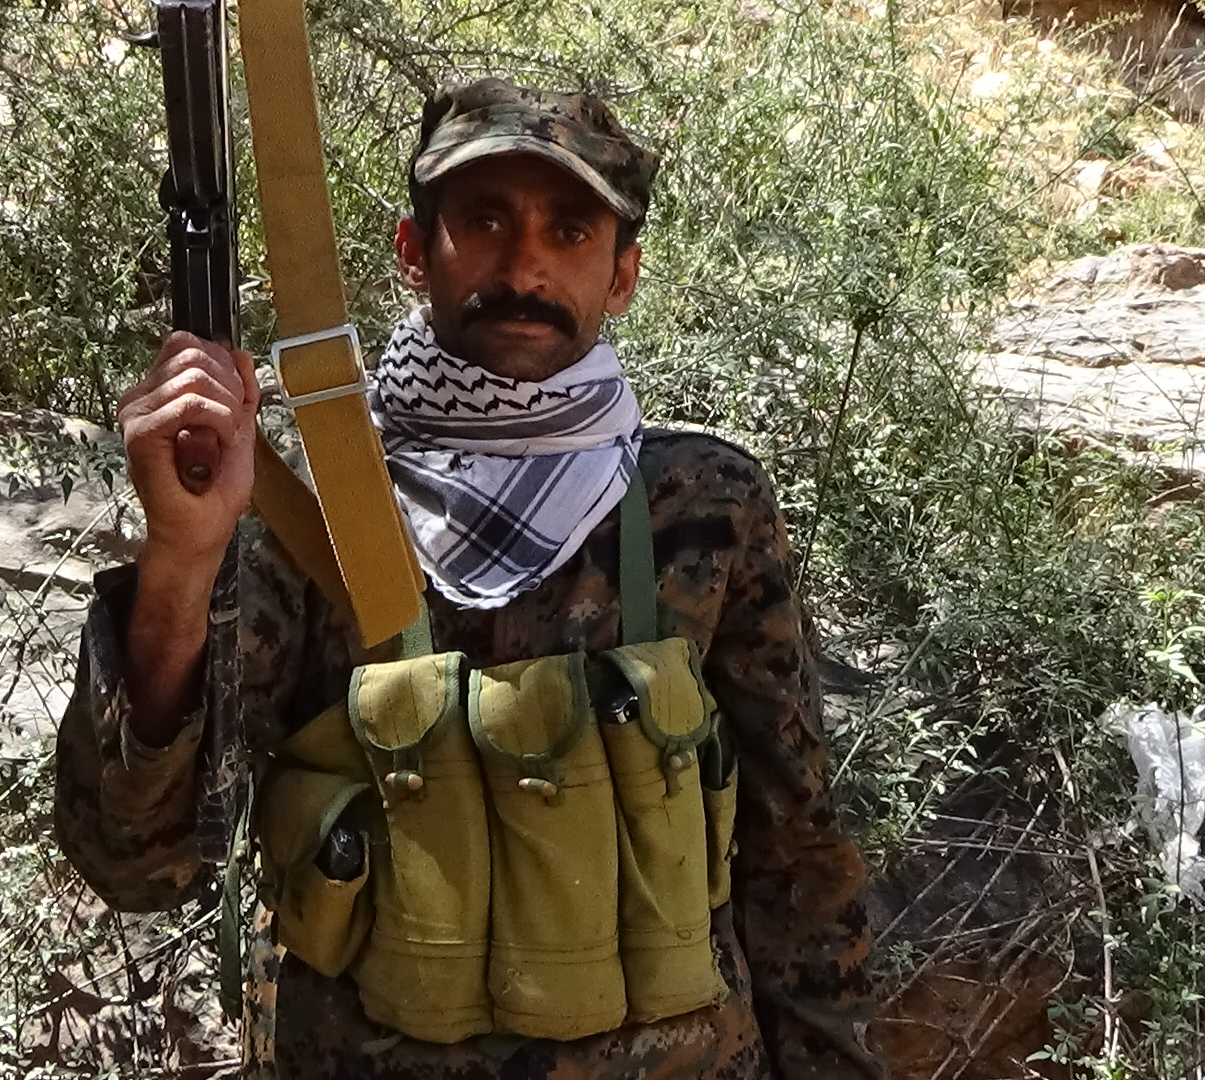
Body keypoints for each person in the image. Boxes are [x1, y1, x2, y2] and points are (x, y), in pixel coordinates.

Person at [54, 77, 881, 1079]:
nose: (525, 265)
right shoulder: (300, 511)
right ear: (415, 251)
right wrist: (183, 560)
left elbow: (796, 849)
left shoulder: (704, 503)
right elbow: (139, 863)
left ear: (623, 275)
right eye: (484, 220)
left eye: (570, 231)